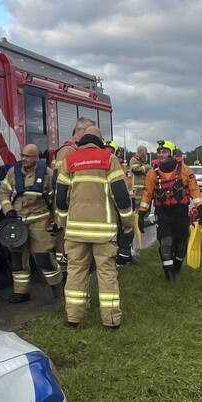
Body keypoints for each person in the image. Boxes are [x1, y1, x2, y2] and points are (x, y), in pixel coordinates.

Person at [56, 132, 133, 328]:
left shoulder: (69, 160)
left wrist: (64, 222)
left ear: (80, 144)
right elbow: (121, 194)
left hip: (75, 230)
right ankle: (111, 320)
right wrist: (127, 221)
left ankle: (73, 318)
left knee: (75, 272)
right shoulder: (109, 158)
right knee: (106, 273)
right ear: (99, 145)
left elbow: (60, 195)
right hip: (103, 230)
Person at [0, 143, 62, 303]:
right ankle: (21, 293)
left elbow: (55, 198)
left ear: (36, 157)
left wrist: (56, 218)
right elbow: (4, 192)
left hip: (40, 222)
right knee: (17, 260)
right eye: (22, 155)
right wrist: (8, 210)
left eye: (28, 156)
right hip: (18, 223)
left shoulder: (47, 173)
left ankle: (59, 292)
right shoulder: (13, 172)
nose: (24, 159)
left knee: (43, 259)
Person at [138, 140, 202, 282]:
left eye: (164, 152)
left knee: (181, 244)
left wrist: (201, 209)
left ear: (172, 153)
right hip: (163, 212)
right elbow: (147, 194)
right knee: (166, 242)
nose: (161, 154)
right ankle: (169, 274)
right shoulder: (152, 173)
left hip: (180, 212)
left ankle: (177, 264)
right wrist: (141, 214)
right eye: (159, 152)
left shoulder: (185, 170)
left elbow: (194, 190)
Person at [52, 117, 98, 270]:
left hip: (75, 208)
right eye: (89, 132)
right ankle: (64, 283)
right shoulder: (68, 150)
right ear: (80, 131)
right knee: (68, 254)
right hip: (69, 209)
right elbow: (60, 183)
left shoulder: (75, 149)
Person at [108, 141, 135, 265]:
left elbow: (129, 183)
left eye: (111, 150)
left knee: (127, 229)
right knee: (125, 229)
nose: (109, 152)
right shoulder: (111, 165)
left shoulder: (122, 166)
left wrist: (131, 198)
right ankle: (121, 257)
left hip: (123, 201)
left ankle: (125, 256)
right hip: (113, 204)